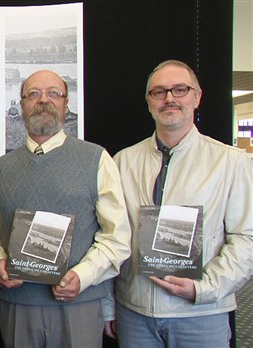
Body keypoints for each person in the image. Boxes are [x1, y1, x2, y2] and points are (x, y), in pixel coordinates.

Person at [0, 69, 131, 348]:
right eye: (33, 94)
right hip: (17, 306)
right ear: (21, 104)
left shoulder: (97, 160)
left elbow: (116, 237)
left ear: (66, 103)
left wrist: (82, 277)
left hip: (78, 304)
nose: (43, 100)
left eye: (53, 93)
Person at [112, 59, 253, 347]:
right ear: (149, 102)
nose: (169, 99)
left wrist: (204, 288)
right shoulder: (122, 162)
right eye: (159, 92)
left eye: (180, 90)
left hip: (201, 313)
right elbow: (109, 236)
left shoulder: (231, 162)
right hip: (134, 314)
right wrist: (107, 306)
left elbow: (246, 238)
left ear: (197, 97)